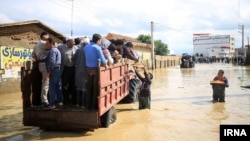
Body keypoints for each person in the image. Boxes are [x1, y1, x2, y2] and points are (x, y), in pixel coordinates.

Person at [84, 33, 107, 110]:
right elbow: (103, 60)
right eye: (100, 40)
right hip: (95, 70)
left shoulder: (86, 47)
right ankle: (93, 106)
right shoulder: (97, 48)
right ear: (98, 40)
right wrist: (106, 64)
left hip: (87, 69)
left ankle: (87, 105)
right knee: (95, 88)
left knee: (89, 87)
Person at [58, 37, 78, 105]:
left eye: (74, 42)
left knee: (73, 85)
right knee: (64, 85)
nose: (74, 43)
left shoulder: (76, 48)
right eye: (72, 42)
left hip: (73, 69)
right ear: (68, 42)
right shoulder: (61, 48)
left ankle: (73, 100)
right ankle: (65, 100)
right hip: (65, 69)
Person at [32, 31, 50, 107]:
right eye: (47, 36)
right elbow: (52, 46)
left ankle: (44, 99)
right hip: (45, 65)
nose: (49, 38)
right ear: (44, 36)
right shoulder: (43, 43)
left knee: (45, 82)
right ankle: (44, 100)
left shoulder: (36, 45)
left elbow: (33, 55)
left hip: (41, 65)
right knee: (45, 83)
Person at [72, 37, 90, 107]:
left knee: (78, 87)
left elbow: (73, 58)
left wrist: (77, 64)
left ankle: (77, 103)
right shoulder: (88, 51)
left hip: (78, 71)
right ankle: (83, 104)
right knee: (84, 88)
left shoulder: (78, 50)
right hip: (85, 71)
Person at [45, 37, 63, 108]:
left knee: (52, 87)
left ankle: (51, 104)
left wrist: (49, 71)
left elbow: (52, 62)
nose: (46, 45)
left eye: (47, 44)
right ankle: (60, 101)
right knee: (58, 86)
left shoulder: (52, 51)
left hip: (54, 70)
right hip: (57, 69)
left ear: (51, 43)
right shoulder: (57, 50)